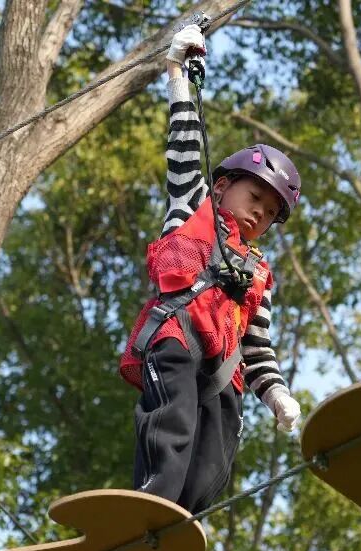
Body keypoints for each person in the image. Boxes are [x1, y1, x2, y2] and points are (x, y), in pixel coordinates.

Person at [120, 24, 303, 518]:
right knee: (174, 425)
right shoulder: (193, 208)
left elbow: (256, 346)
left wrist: (277, 395)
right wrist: (178, 73)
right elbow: (183, 143)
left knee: (213, 463)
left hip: (224, 371)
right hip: (176, 343)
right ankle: (151, 504)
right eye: (255, 197)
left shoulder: (258, 272)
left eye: (270, 213)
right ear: (222, 187)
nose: (259, 213)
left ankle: (180, 520)